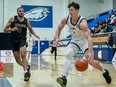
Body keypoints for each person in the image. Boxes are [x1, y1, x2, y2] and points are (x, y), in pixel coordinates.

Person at [54, 2, 111, 87]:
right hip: (74, 41)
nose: (70, 11)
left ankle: (104, 72)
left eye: (72, 10)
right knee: (68, 54)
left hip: (84, 41)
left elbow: (89, 38)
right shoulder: (66, 19)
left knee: (91, 62)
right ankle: (64, 78)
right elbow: (59, 28)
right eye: (69, 10)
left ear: (77, 10)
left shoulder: (82, 22)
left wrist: (90, 52)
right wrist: (57, 38)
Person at [4, 7, 40, 82]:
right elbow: (5, 29)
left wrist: (35, 34)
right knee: (17, 60)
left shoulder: (26, 21)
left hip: (22, 40)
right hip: (14, 41)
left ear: (24, 12)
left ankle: (25, 72)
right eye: (20, 11)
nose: (21, 12)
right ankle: (27, 67)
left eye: (22, 11)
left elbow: (30, 29)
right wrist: (11, 29)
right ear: (17, 12)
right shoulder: (12, 19)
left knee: (23, 53)